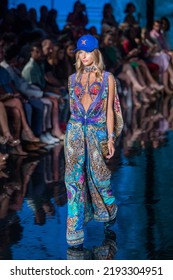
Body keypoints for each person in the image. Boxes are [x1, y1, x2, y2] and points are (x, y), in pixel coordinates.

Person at [64, 34, 124, 248]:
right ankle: (74, 228)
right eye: (80, 52)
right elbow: (72, 110)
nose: (84, 56)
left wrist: (110, 138)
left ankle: (109, 211)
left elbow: (109, 111)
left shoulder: (108, 78)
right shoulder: (72, 79)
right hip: (75, 133)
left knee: (100, 178)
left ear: (95, 53)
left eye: (88, 51)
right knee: (74, 179)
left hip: (98, 132)